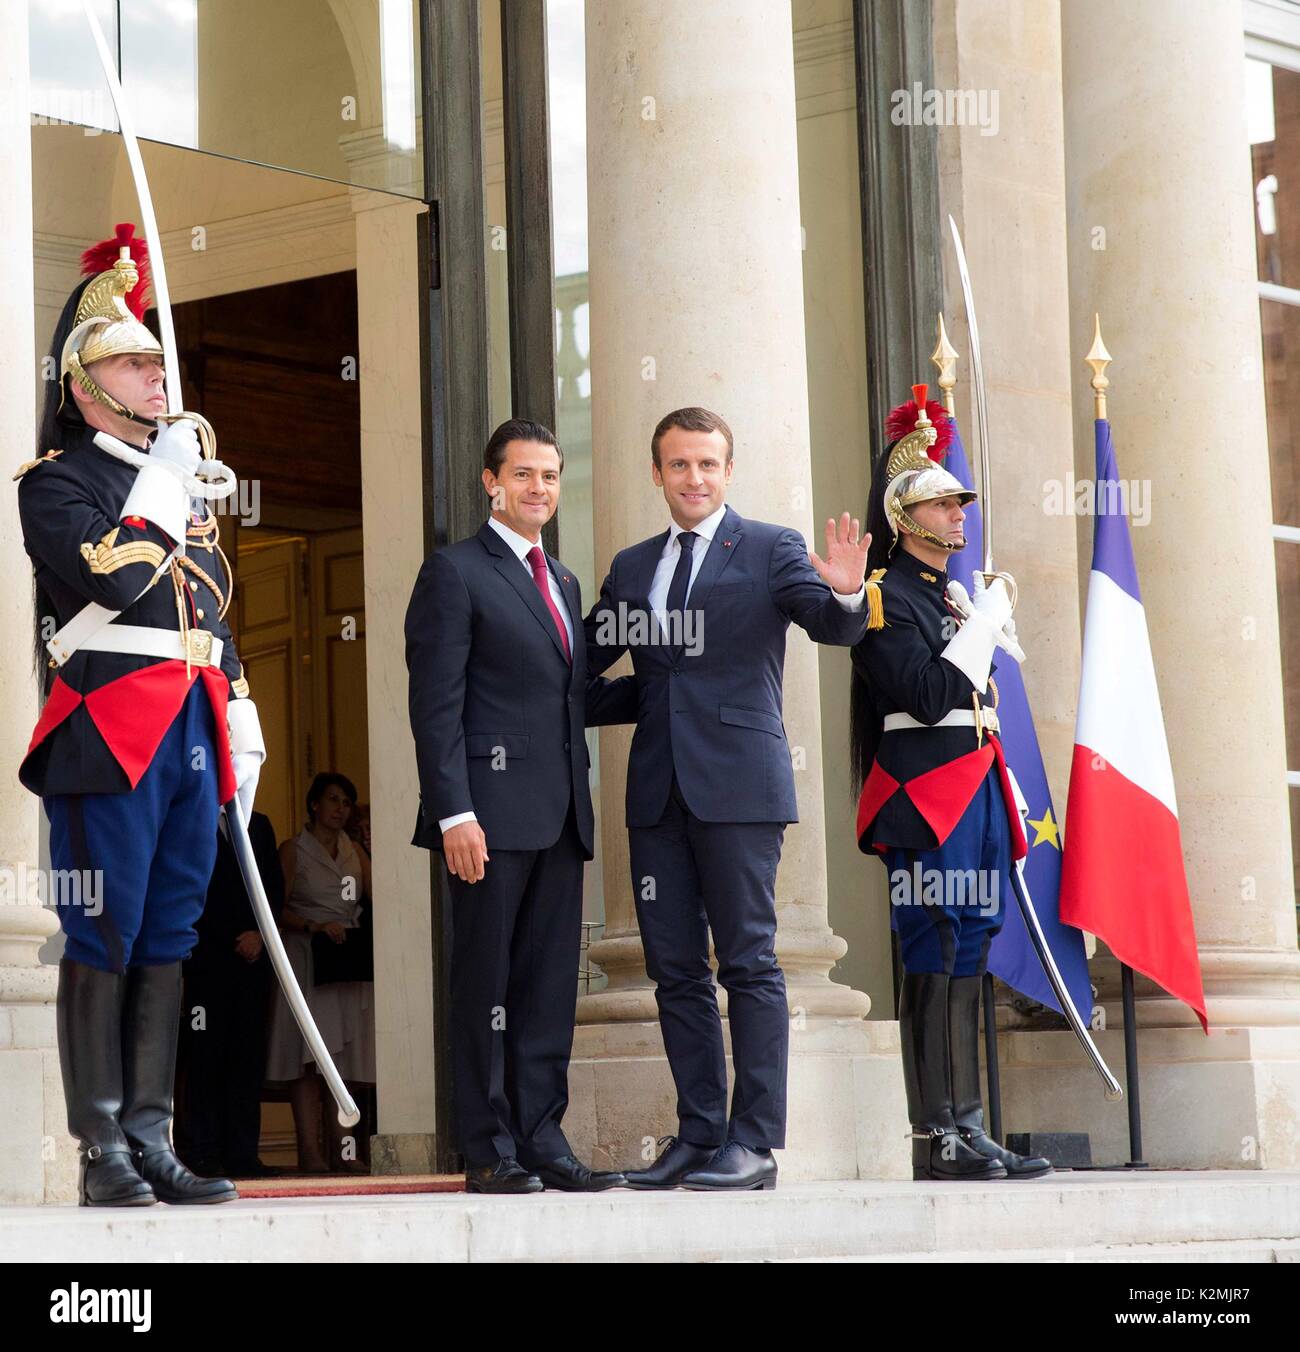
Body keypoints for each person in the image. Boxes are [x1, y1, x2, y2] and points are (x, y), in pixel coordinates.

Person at [17, 224, 265, 1206]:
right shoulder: (59, 482)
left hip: (191, 723)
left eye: (158, 362)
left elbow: (207, 602)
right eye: (132, 361)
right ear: (86, 386)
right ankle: (100, 1146)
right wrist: (163, 478)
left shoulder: (182, 490)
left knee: (171, 931)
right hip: (107, 725)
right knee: (103, 927)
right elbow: (115, 580)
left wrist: (238, 699)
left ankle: (154, 1134)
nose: (156, 376)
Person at [584, 406, 872, 1191]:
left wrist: (846, 596)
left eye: (707, 464)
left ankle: (755, 1145)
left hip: (740, 788)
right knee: (673, 970)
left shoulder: (772, 547)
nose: (694, 478)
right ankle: (700, 1136)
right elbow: (589, 669)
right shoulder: (633, 565)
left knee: (748, 961)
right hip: (657, 793)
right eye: (679, 465)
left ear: (727, 470)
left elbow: (831, 627)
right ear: (657, 473)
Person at [405, 419, 636, 1194]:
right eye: (524, 474)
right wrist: (453, 815)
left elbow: (569, 697)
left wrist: (678, 681)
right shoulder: (454, 573)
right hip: (486, 820)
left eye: (550, 476)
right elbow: (435, 708)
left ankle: (543, 1140)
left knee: (546, 988)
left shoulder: (563, 583)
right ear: (489, 482)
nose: (540, 488)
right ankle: (489, 1145)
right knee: (486, 986)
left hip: (561, 816)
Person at [849, 385, 1052, 1182]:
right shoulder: (883, 597)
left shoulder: (944, 593)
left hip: (973, 789)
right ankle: (933, 1138)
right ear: (906, 520)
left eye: (958, 503)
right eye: (941, 504)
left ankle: (968, 1126)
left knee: (971, 944)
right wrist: (976, 628)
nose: (958, 514)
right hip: (924, 798)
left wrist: (974, 618)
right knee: (931, 946)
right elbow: (926, 695)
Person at [265, 773, 375, 1173]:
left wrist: (370, 848)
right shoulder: (294, 850)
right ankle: (310, 1156)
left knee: (341, 1058)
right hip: (307, 955)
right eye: (333, 800)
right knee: (307, 1059)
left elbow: (377, 894)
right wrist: (313, 925)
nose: (340, 808)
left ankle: (344, 1154)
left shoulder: (352, 851)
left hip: (345, 959)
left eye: (346, 802)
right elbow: (274, 908)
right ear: (314, 804)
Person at [177, 808, 283, 1179]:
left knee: (247, 1058)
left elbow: (272, 886)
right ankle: (200, 1151)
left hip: (252, 965)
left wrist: (259, 934)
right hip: (206, 962)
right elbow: (187, 887)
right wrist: (225, 940)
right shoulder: (191, 816)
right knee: (205, 1057)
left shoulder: (259, 823)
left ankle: (242, 1153)